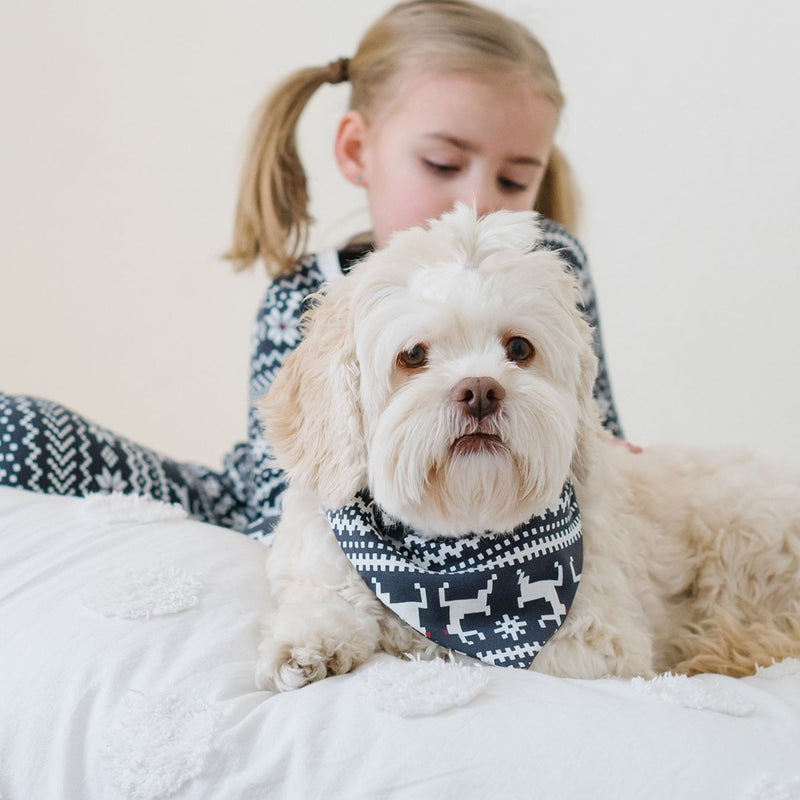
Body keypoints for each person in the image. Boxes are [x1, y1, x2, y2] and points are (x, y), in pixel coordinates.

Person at [0, 0, 623, 540]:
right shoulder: (301, 294)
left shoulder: (551, 264)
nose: (475, 202)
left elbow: (588, 433)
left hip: (470, 476)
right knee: (21, 429)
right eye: (440, 163)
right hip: (266, 491)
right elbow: (293, 487)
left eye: (515, 179)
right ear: (357, 151)